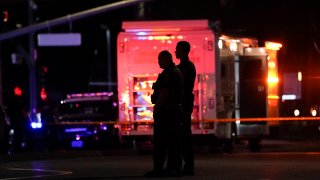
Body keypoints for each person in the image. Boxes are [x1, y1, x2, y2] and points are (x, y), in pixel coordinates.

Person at [144, 50, 184, 177]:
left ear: (166, 59)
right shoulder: (175, 72)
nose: (158, 62)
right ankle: (173, 168)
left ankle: (161, 169)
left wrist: (157, 108)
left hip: (167, 112)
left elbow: (165, 91)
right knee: (173, 142)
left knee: (161, 142)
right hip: (173, 112)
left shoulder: (169, 74)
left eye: (160, 59)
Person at [175, 41, 196, 176]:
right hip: (184, 103)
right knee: (183, 136)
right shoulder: (187, 66)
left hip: (183, 104)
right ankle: (187, 166)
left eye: (177, 49)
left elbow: (181, 87)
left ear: (183, 51)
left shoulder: (185, 67)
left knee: (184, 137)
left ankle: (188, 166)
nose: (175, 51)